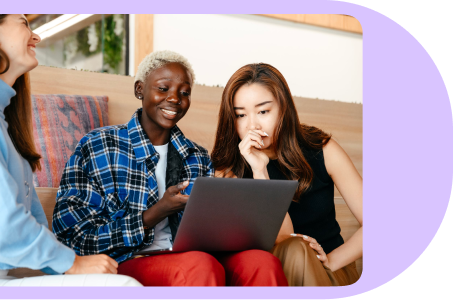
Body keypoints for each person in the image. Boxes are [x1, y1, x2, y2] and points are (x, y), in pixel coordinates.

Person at [52, 50, 288, 286]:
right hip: (128, 259)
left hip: (192, 257)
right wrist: (154, 214)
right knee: (199, 265)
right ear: (139, 89)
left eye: (184, 93)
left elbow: (210, 234)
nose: (174, 98)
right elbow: (73, 237)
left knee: (262, 262)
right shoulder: (98, 146)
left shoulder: (197, 156)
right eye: (163, 89)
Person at [0, 14, 141, 286]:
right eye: (23, 22)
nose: (36, 36)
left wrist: (67, 264)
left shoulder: (7, 126)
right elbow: (6, 224)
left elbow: (32, 224)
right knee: (124, 287)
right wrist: (72, 263)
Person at [211, 63, 362, 286]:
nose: (252, 124)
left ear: (284, 108)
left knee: (296, 251)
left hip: (330, 271)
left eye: (263, 111)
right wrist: (260, 171)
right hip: (273, 274)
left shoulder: (321, 149)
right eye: (241, 115)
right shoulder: (228, 169)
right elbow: (283, 237)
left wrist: (332, 260)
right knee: (292, 249)